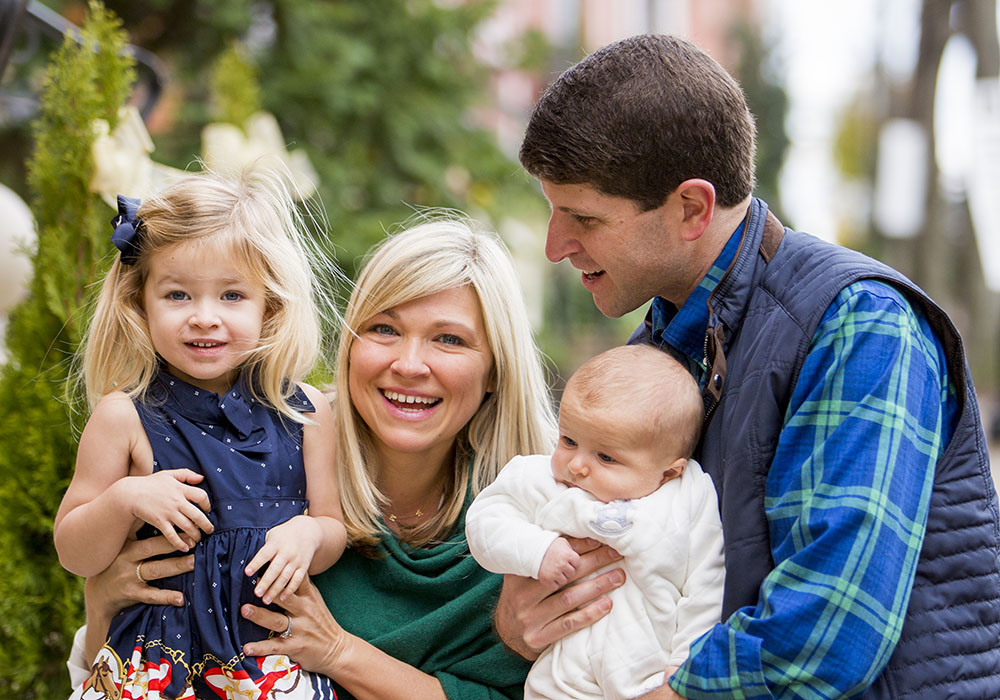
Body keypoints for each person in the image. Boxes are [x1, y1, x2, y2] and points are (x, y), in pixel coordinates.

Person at [496, 33, 1000, 700]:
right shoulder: (656, 353)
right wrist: (519, 620)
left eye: (583, 217)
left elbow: (825, 631)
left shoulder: (860, 325)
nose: (557, 245)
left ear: (692, 208)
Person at [67, 215, 559, 700]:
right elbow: (109, 657)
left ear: (497, 367)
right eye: (384, 328)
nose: (409, 364)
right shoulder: (277, 447)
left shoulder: (537, 526)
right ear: (349, 346)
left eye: (449, 339)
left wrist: (340, 653)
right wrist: (101, 601)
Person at [55, 167, 348, 699]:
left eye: (232, 296)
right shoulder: (124, 417)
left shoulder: (304, 412)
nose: (204, 317)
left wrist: (310, 535)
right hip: (153, 667)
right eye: (178, 295)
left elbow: (331, 525)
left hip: (265, 664)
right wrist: (125, 498)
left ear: (270, 305)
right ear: (139, 303)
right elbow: (75, 553)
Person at [466, 344, 724, 700]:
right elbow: (485, 521)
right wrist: (538, 550)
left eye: (606, 457)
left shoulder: (689, 498)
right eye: (569, 440)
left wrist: (687, 665)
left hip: (651, 678)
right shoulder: (541, 479)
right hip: (562, 680)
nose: (577, 466)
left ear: (668, 471)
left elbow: (707, 586)